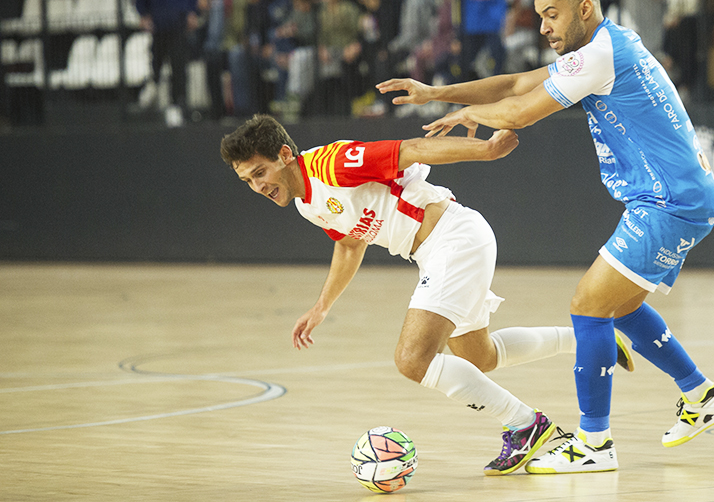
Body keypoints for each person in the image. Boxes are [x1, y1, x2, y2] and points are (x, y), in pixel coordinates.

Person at [376, 0, 714, 474]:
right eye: (539, 16)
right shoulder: (602, 48)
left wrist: (468, 116)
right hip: (668, 198)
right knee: (620, 308)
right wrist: (438, 92)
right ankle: (702, 395)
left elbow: (521, 110)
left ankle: (595, 445)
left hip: (668, 201)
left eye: (552, 14)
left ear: (583, 9)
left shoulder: (600, 55)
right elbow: (519, 82)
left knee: (587, 308)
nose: (544, 26)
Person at [219, 114, 636, 475]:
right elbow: (349, 243)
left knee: (412, 359)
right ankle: (589, 340)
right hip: (440, 250)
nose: (256, 186)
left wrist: (486, 150)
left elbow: (414, 149)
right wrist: (321, 306)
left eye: (259, 173)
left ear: (285, 156)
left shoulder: (331, 164)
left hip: (452, 239)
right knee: (481, 357)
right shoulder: (306, 203)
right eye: (246, 181)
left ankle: (525, 424)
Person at [132, 0, 201, 127]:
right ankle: (152, 93)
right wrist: (143, 13)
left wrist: (192, 11)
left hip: (179, 23)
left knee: (179, 66)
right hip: (158, 24)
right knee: (156, 62)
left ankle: (177, 106)